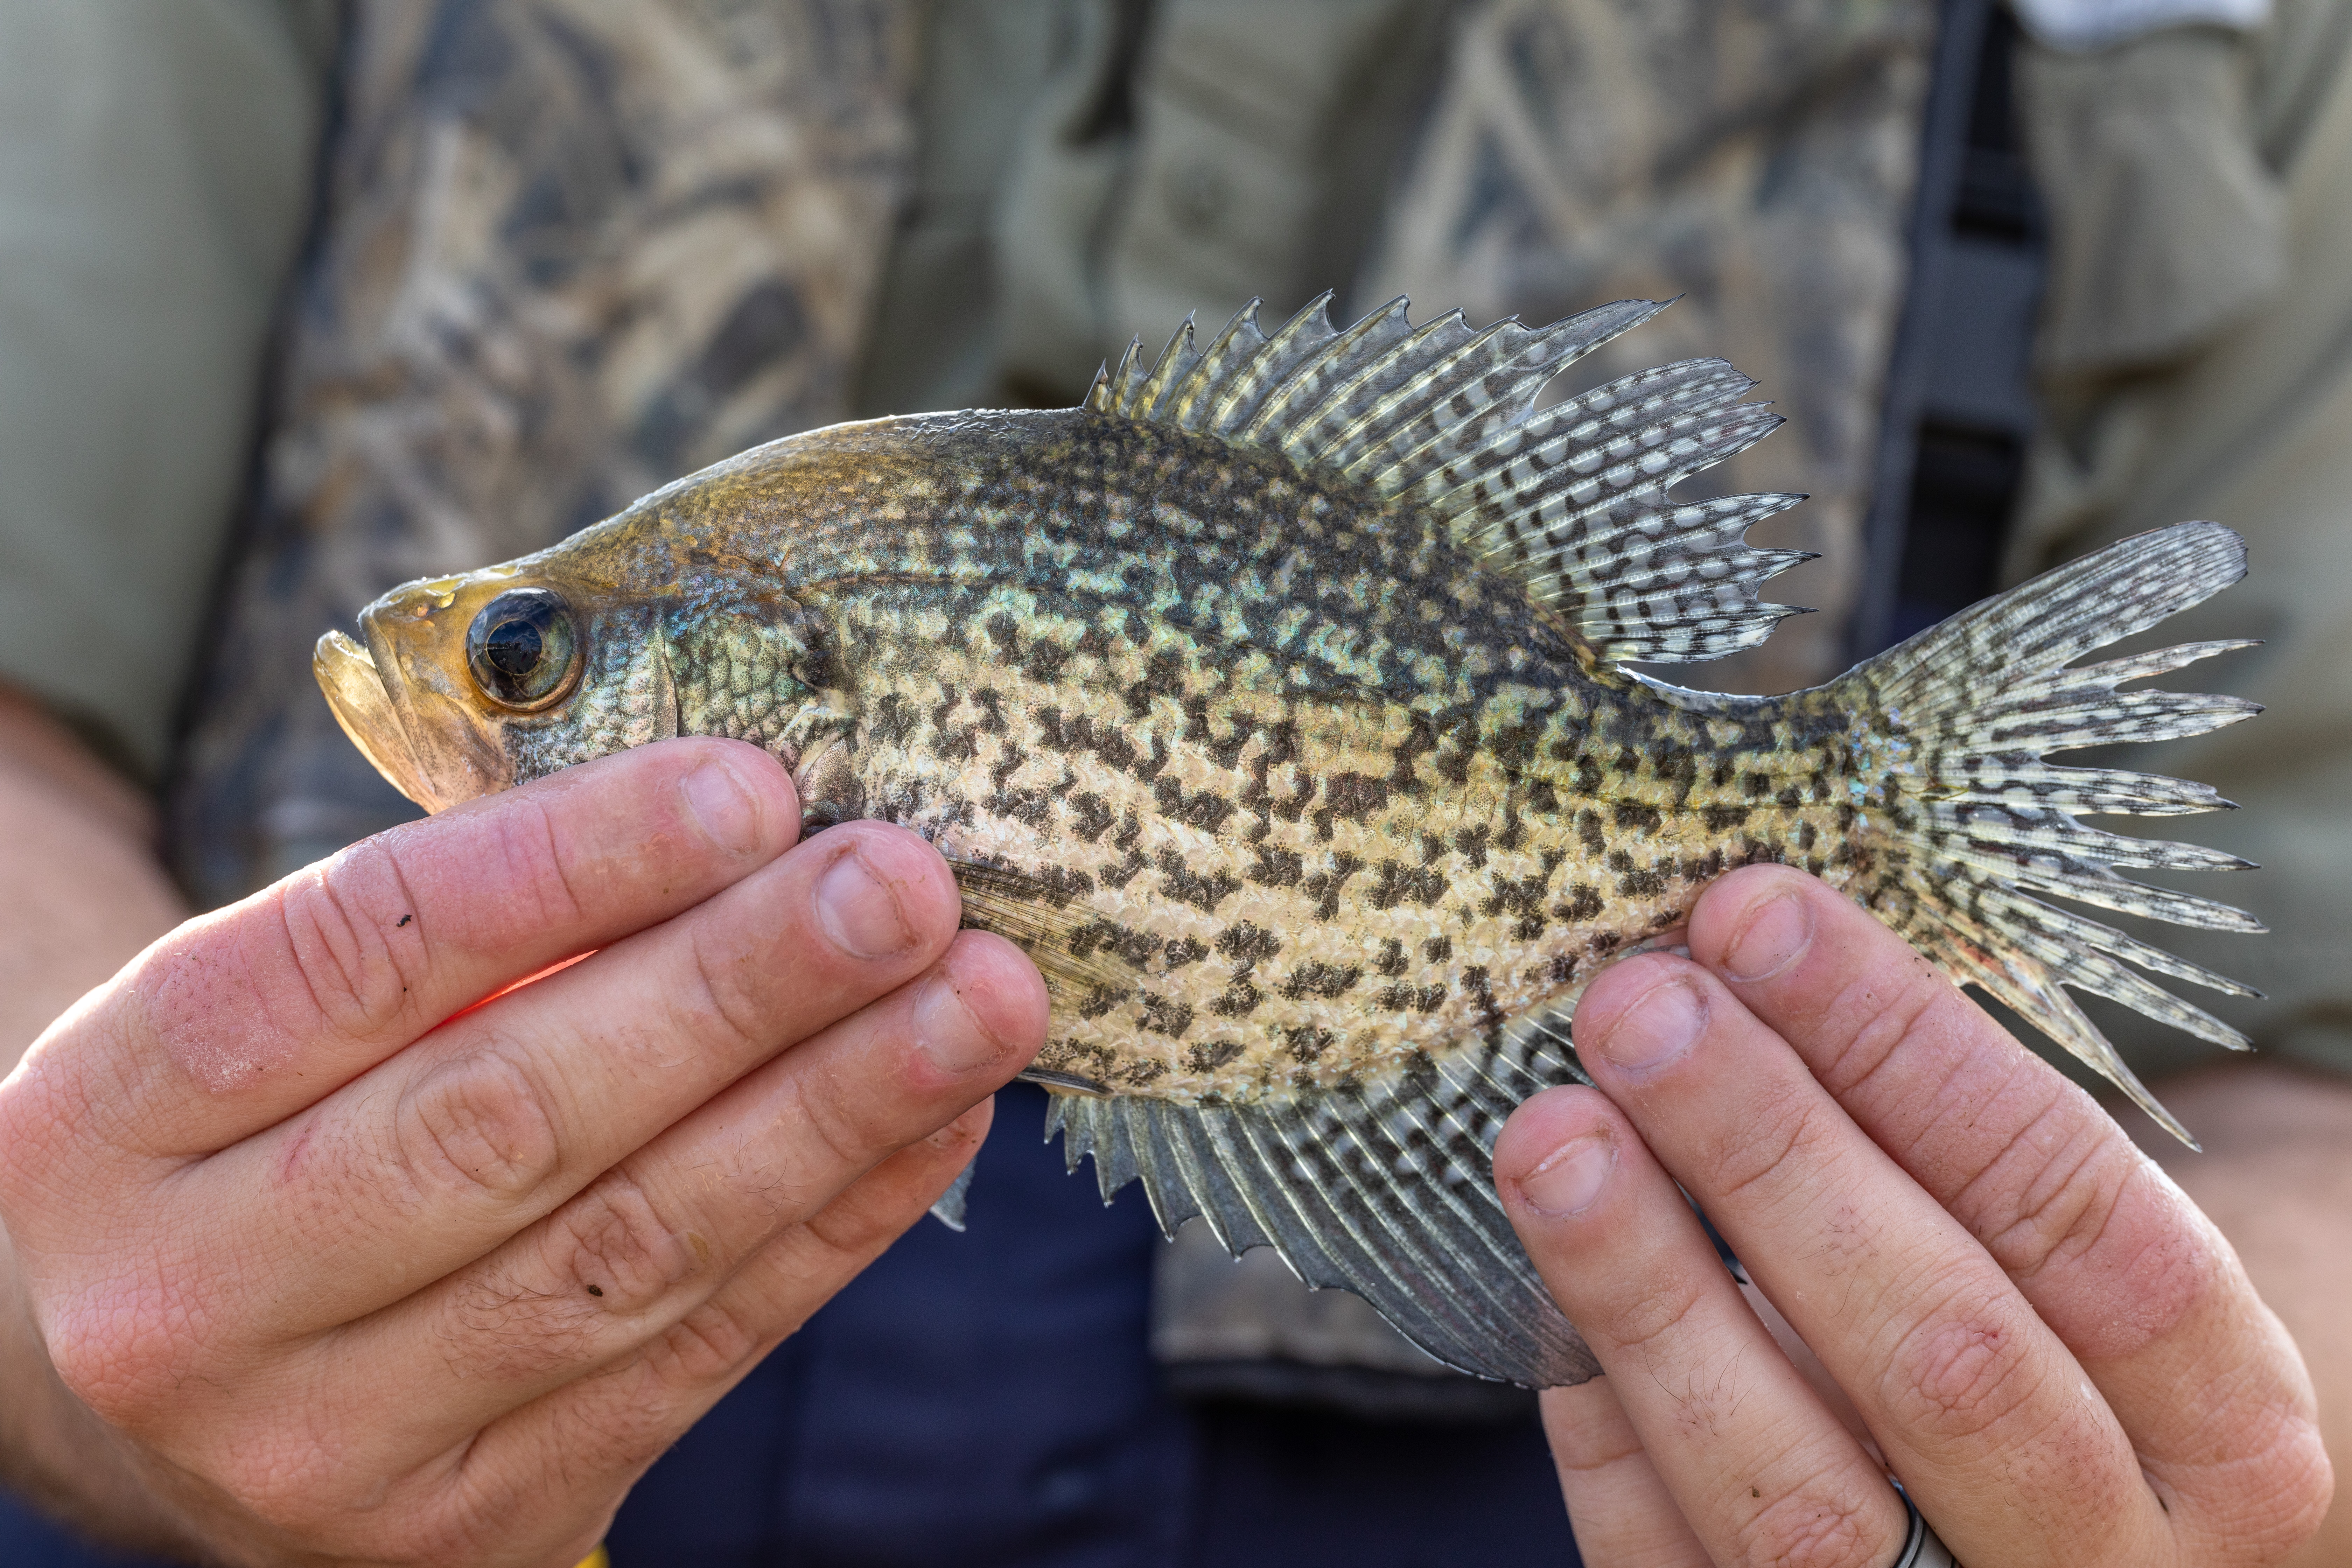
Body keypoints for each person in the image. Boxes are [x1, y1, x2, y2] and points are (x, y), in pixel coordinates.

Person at [0, 3, 2336, 1565]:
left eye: (526, 662)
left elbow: (2307, 1074)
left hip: (1602, 1436)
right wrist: (71, 1313)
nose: (478, 691)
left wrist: (2129, 1444)